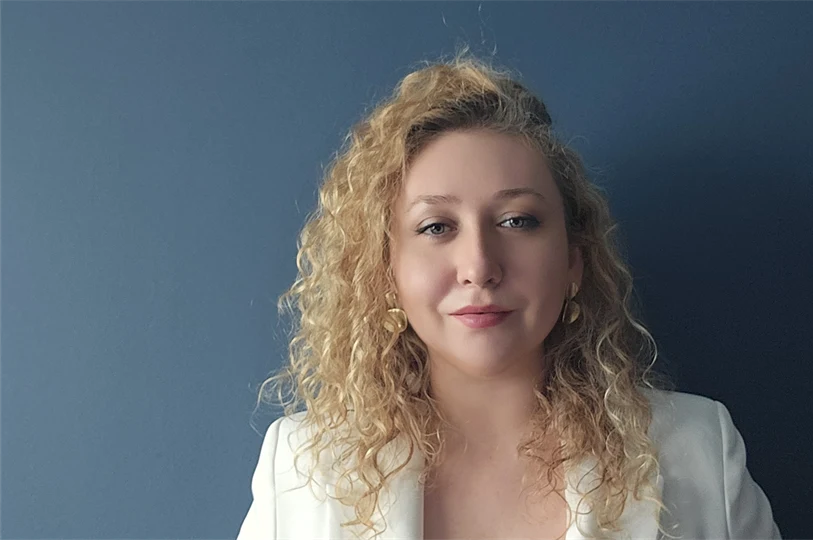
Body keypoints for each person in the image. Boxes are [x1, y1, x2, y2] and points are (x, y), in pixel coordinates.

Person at [237, 50, 782, 540]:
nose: (479, 266)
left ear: (573, 262)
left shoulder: (699, 452)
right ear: (386, 273)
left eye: (517, 220)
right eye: (436, 227)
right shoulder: (300, 470)